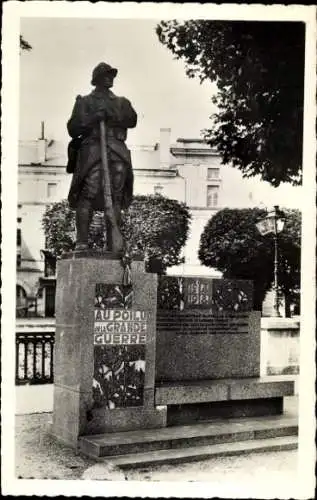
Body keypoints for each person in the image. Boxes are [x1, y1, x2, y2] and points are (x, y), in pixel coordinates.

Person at [67, 62, 137, 251]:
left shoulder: (122, 102)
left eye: (112, 75)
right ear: (96, 79)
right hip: (93, 151)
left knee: (115, 197)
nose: (110, 78)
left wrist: (111, 115)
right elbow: (73, 129)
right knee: (87, 195)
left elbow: (132, 120)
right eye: (106, 75)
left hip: (117, 152)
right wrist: (92, 118)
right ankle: (82, 241)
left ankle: (112, 244)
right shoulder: (84, 101)